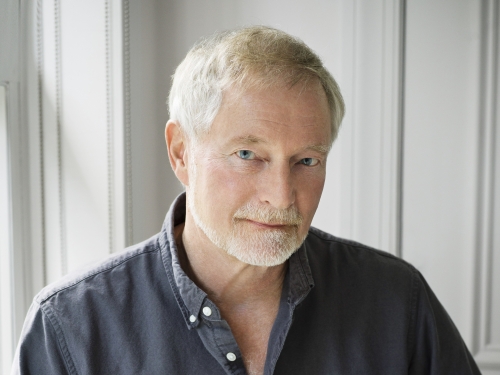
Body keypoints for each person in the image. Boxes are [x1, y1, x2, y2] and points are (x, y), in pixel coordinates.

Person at [12, 26, 480, 375]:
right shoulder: (69, 328)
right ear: (181, 153)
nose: (281, 196)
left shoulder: (396, 302)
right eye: (247, 155)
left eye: (307, 161)